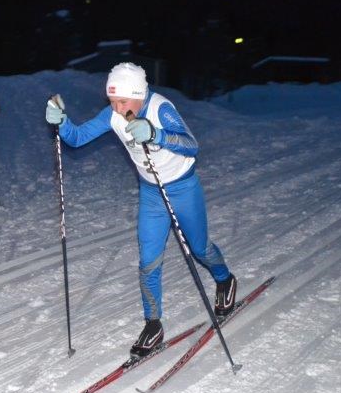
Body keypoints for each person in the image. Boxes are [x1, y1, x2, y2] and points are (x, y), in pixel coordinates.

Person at [45, 62, 236, 358]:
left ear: (139, 94)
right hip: (151, 193)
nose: (117, 109)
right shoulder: (113, 114)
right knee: (148, 261)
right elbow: (78, 138)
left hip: (182, 187)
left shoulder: (161, 108)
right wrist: (61, 122)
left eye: (122, 101)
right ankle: (153, 323)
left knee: (199, 248)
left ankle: (225, 280)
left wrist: (156, 134)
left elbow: (191, 144)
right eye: (112, 102)